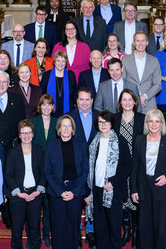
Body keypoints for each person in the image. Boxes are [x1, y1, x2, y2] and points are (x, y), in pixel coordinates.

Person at [131, 108, 166, 249]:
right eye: (151, 121)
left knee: (162, 230)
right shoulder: (139, 140)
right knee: (144, 229)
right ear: (147, 123)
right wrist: (134, 190)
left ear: (162, 123)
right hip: (144, 189)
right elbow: (134, 167)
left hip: (163, 190)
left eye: (157, 121)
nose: (154, 125)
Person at [85, 110, 129, 249]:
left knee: (114, 230)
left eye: (106, 122)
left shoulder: (120, 141)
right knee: (100, 229)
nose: (103, 125)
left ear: (112, 123)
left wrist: (113, 183)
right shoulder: (94, 142)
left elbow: (128, 166)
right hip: (97, 190)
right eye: (100, 122)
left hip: (113, 192)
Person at [44, 115, 89, 249]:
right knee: (58, 226)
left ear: (72, 128)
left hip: (76, 190)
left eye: (69, 126)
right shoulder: (51, 146)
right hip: (56, 191)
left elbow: (85, 170)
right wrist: (60, 192)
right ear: (58, 128)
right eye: (63, 125)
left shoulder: (81, 145)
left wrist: (74, 191)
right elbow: (47, 172)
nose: (66, 128)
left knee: (73, 226)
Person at [5, 119, 45, 249]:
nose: (26, 136)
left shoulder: (39, 151)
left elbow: (44, 173)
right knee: (16, 231)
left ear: (33, 134)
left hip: (35, 195)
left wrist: (37, 191)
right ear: (19, 135)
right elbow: (8, 175)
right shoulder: (12, 152)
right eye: (23, 133)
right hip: (18, 197)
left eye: (29, 133)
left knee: (34, 229)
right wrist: (19, 193)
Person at [67, 88, 99, 248]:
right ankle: (77, 232)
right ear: (77, 101)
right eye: (81, 100)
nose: (84, 102)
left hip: (95, 165)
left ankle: (91, 231)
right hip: (76, 165)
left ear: (92, 100)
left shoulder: (99, 116)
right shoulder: (69, 117)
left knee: (92, 197)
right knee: (78, 197)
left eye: (87, 99)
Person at [113, 89, 145, 248]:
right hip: (120, 167)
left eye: (129, 99)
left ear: (134, 102)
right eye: (124, 100)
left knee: (136, 199)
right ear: (120, 102)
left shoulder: (142, 119)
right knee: (123, 199)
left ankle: (135, 232)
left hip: (138, 166)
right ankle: (126, 230)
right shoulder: (115, 119)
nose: (126, 102)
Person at [30, 94, 57, 248]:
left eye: (49, 104)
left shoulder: (57, 122)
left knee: (48, 206)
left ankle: (47, 234)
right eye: (44, 104)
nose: (47, 107)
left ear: (53, 107)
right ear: (39, 107)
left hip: (52, 171)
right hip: (35, 169)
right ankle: (33, 236)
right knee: (33, 207)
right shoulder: (33, 123)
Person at [121, 31, 162, 114]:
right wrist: (134, 97)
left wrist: (144, 96)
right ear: (133, 43)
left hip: (149, 103)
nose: (140, 43)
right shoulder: (125, 60)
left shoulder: (154, 61)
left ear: (147, 42)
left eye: (143, 41)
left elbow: (158, 84)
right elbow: (122, 81)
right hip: (130, 103)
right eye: (138, 41)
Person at [40, 50, 77, 118]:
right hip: (49, 112)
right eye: (58, 60)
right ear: (54, 62)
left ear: (66, 63)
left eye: (63, 61)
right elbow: (42, 94)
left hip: (68, 112)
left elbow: (75, 94)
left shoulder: (71, 75)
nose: (60, 63)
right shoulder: (46, 75)